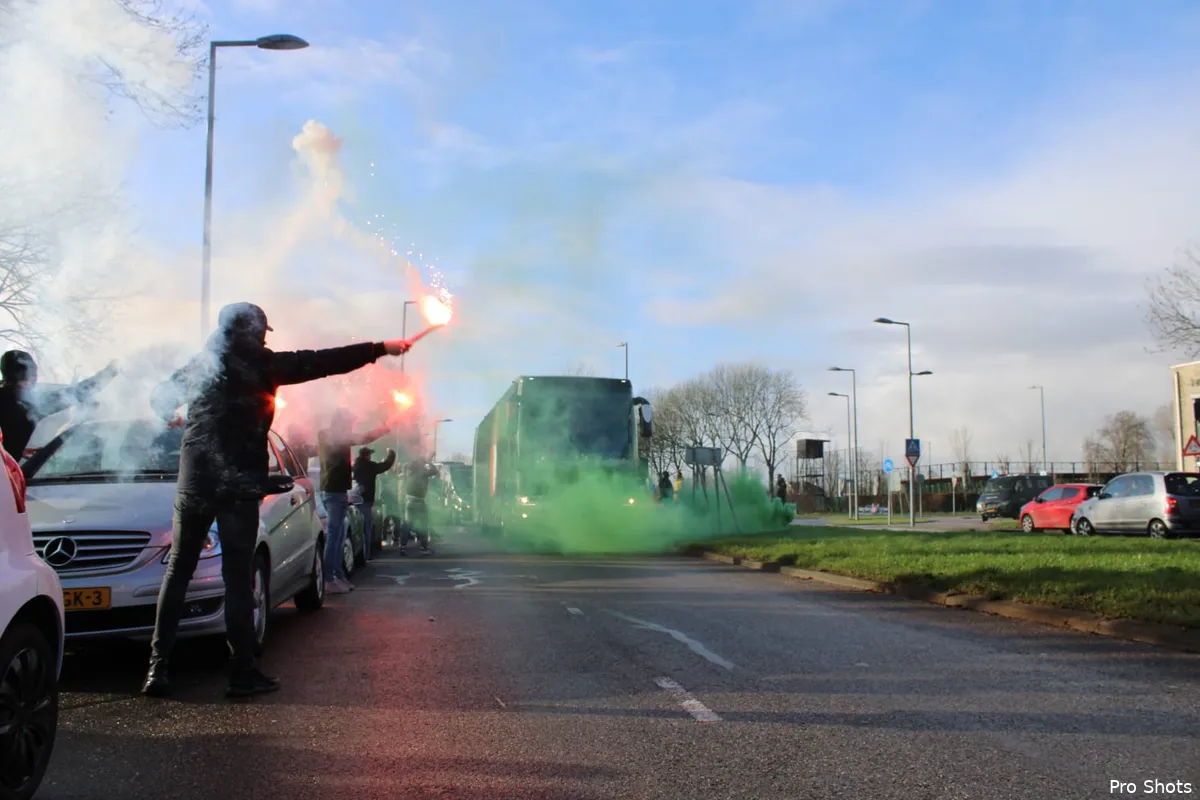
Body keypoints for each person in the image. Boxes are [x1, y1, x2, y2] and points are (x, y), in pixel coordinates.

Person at [141, 302, 412, 700]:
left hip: (195, 480)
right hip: (238, 483)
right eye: (263, 332)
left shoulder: (201, 365)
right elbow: (323, 361)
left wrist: (174, 417)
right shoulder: (265, 365)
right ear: (255, 332)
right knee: (238, 578)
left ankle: (157, 668)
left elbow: (160, 397)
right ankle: (242, 672)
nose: (265, 339)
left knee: (178, 571)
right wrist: (379, 348)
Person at [319, 410, 393, 592]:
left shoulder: (333, 436)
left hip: (337, 492)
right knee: (334, 537)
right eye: (350, 423)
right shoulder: (332, 436)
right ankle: (329, 578)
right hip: (333, 492)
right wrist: (385, 427)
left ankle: (337, 575)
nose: (352, 427)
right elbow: (364, 438)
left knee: (339, 538)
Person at [0, 350, 118, 462]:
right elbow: (79, 392)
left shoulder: (15, 399)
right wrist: (110, 372)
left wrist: (18, 451)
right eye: (33, 373)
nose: (35, 378)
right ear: (29, 375)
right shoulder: (30, 403)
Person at [351, 445, 396, 563]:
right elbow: (385, 465)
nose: (370, 456)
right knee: (367, 528)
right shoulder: (369, 466)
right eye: (369, 454)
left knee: (358, 530)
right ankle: (367, 555)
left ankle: (360, 554)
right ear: (366, 456)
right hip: (365, 501)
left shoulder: (355, 466)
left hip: (354, 501)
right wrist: (391, 453)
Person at [400, 455, 439, 555]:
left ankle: (403, 547)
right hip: (419, 501)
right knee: (423, 524)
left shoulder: (409, 472)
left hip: (408, 500)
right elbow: (435, 471)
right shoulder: (422, 472)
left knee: (407, 524)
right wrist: (429, 462)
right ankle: (423, 548)